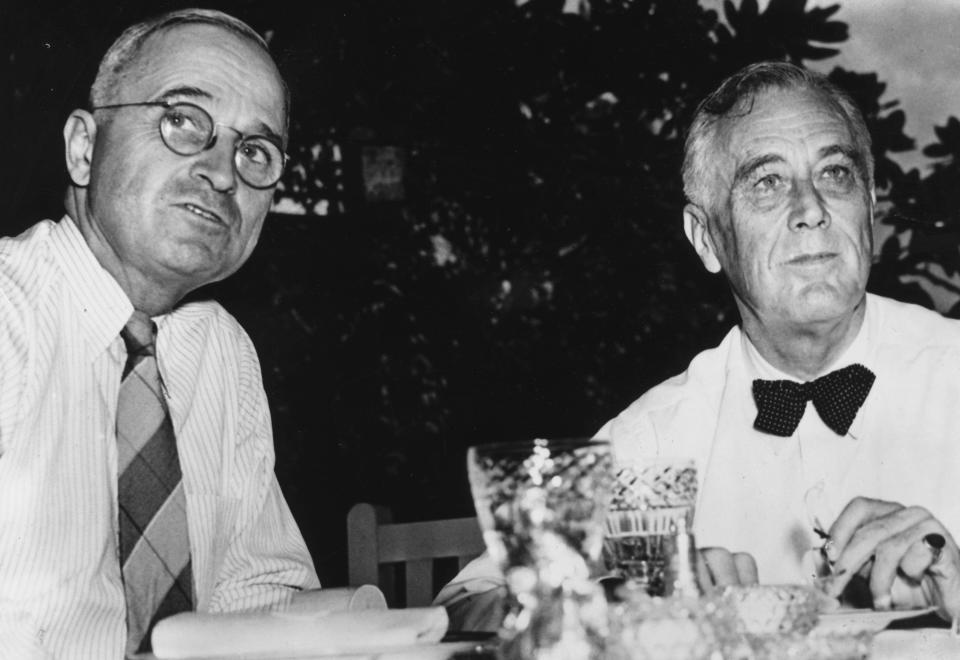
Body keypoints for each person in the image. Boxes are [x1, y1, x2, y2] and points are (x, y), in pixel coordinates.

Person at [436, 60, 960, 629]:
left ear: (870, 206)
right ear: (706, 239)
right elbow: (465, 603)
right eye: (767, 182)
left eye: (835, 174)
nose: (811, 210)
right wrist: (620, 602)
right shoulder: (656, 435)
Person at [0, 9, 319, 658]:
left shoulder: (218, 354)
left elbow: (259, 595)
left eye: (255, 150)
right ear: (84, 148)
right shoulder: (11, 315)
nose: (224, 171)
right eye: (181, 120)